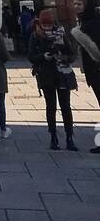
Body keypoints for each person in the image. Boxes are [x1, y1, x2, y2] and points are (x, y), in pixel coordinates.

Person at [29, 9, 78, 151]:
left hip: (62, 74)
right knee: (51, 107)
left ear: (53, 23)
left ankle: (69, 137)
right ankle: (53, 137)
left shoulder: (61, 34)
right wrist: (43, 57)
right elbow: (31, 56)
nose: (47, 28)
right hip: (46, 75)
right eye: (44, 25)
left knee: (66, 107)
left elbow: (72, 53)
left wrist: (64, 57)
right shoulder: (35, 36)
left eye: (49, 25)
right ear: (40, 24)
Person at [73, 0, 100, 154]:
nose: (76, 6)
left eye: (79, 4)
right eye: (74, 4)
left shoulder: (92, 24)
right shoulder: (85, 22)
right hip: (93, 72)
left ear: (87, 6)